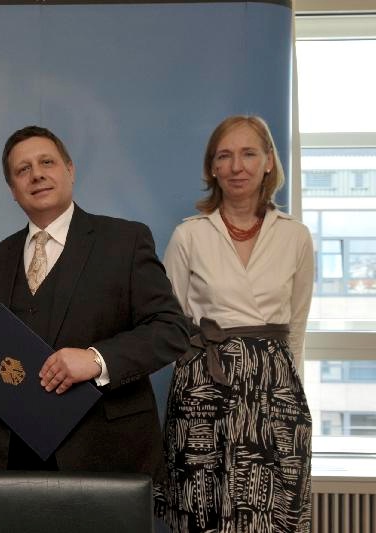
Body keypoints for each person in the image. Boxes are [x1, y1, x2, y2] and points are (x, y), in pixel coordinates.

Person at [0, 125, 189, 476]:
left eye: (47, 162)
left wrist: (96, 360)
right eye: (23, 170)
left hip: (106, 448)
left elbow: (171, 329)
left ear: (70, 170)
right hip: (15, 450)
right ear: (13, 190)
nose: (36, 174)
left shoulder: (124, 240)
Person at [158, 115, 313, 532]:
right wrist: (187, 389)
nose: (236, 166)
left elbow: (296, 325)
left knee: (270, 513)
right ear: (212, 168)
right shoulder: (188, 236)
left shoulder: (296, 236)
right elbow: (168, 324)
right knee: (204, 511)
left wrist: (291, 391)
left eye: (248, 153)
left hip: (274, 391)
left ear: (268, 162)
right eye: (224, 156)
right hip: (204, 388)